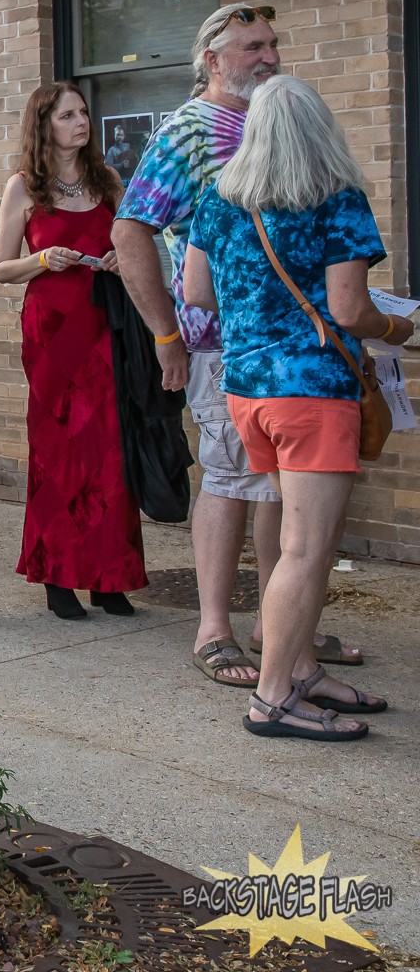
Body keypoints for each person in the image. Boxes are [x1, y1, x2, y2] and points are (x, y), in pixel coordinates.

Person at [109, 4, 356, 686]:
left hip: (289, 351)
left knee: (277, 489)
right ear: (213, 60)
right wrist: (166, 334)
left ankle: (281, 626)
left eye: (273, 44)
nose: (269, 56)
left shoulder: (270, 121)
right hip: (224, 348)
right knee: (229, 480)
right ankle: (213, 628)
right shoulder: (189, 131)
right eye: (253, 47)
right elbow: (130, 230)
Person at [182, 75, 405, 740]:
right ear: (319, 128)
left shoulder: (219, 199)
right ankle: (273, 698)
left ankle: (302, 671)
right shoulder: (337, 199)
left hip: (247, 389)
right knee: (308, 550)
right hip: (311, 394)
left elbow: (196, 292)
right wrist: (398, 328)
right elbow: (350, 309)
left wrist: (262, 312)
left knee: (302, 543)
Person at [0, 83, 147, 618]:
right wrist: (43, 259)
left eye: (83, 112)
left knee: (109, 449)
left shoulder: (109, 181)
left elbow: (136, 248)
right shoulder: (24, 187)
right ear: (44, 125)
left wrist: (121, 260)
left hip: (104, 325)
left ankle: (109, 578)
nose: (81, 122)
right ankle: (57, 576)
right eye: (67, 115)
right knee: (58, 451)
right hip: (53, 332)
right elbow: (0, 268)